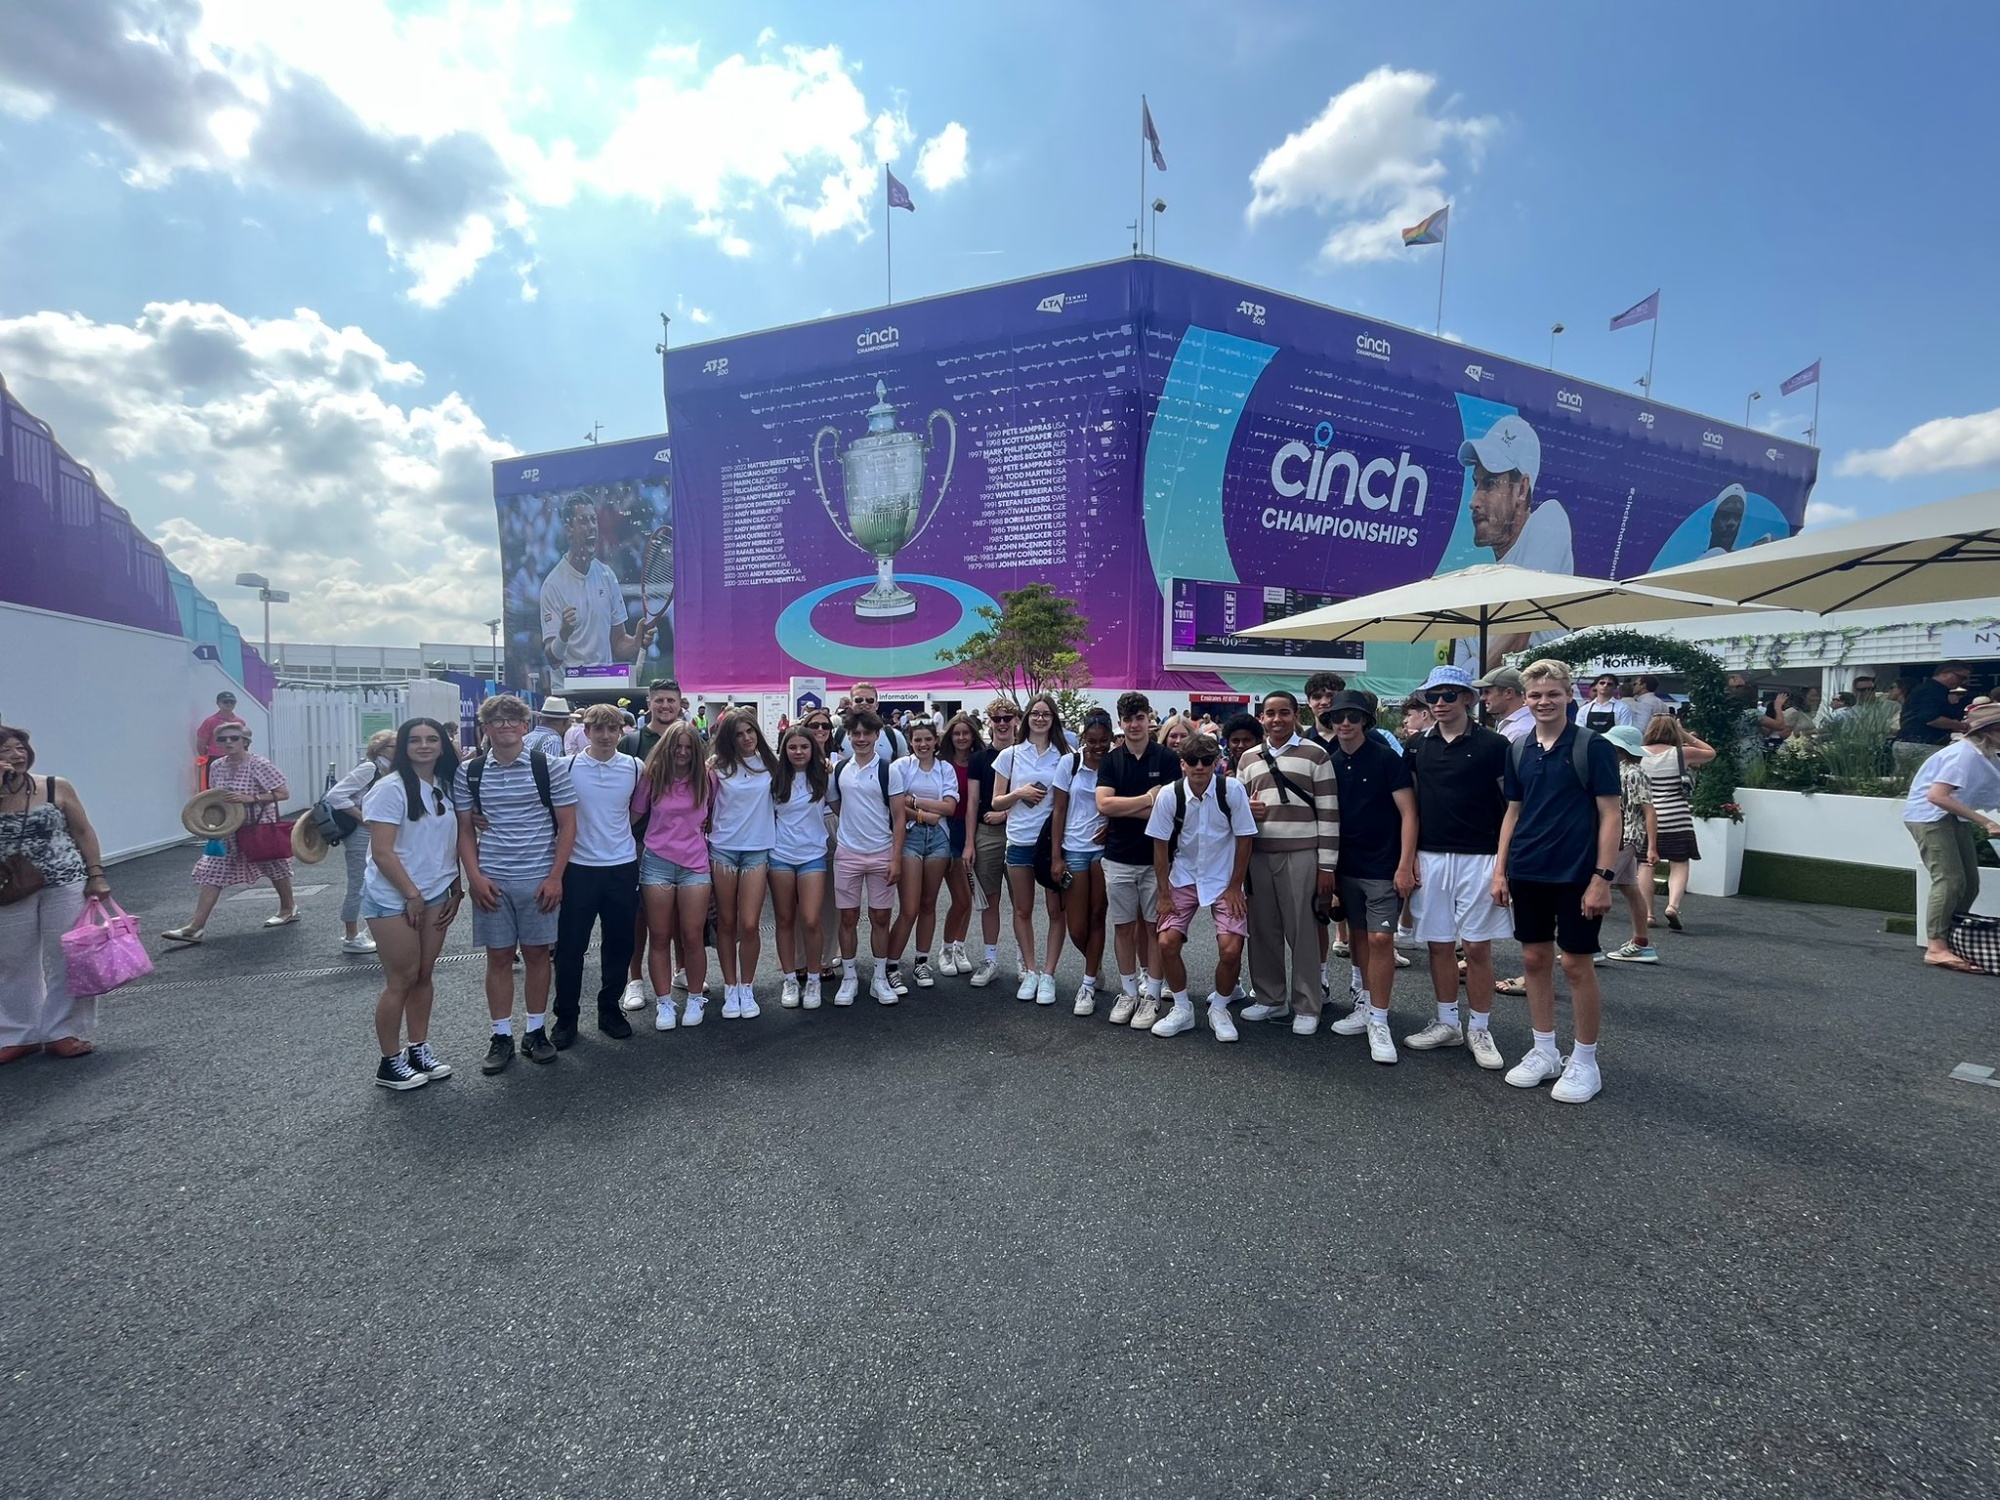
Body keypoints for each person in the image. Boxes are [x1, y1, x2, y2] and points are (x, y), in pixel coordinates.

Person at [1492, 659, 1622, 1105]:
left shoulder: (1592, 746)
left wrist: (1602, 878)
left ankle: (1585, 1060)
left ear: (1570, 696)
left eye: (1553, 693)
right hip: (1527, 869)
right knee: (1533, 960)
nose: (1544, 702)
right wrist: (1499, 869)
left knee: (1576, 963)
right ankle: (1544, 1050)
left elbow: (1611, 813)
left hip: (1577, 873)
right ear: (1525, 699)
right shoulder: (1519, 748)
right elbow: (1513, 811)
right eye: (1535, 695)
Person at [455, 695, 577, 1074]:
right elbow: (463, 831)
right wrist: (474, 877)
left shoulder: (549, 767)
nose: (505, 725)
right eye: (496, 720)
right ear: (486, 728)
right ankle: (501, 1035)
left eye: (512, 719)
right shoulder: (470, 772)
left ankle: (535, 1031)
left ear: (525, 726)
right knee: (499, 958)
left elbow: (568, 826)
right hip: (492, 881)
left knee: (539, 956)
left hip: (539, 879)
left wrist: (556, 876)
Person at [1401, 665, 1511, 1070]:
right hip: (1431, 855)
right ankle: (1447, 1022)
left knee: (1478, 946)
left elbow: (1512, 807)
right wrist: (1408, 857)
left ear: (1468, 697)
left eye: (1450, 695)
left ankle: (1480, 1027)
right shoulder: (1416, 747)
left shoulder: (1495, 745)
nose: (1441, 703)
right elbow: (1409, 807)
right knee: (1439, 943)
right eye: (1434, 696)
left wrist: (1503, 864)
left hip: (1482, 856)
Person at [359, 719, 465, 1091]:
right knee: (400, 979)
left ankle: (418, 1047)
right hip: (394, 896)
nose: (424, 745)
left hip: (436, 891)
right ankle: (390, 1061)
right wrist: (411, 895)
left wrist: (456, 885)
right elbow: (383, 852)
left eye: (432, 739)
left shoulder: (447, 786)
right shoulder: (389, 789)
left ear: (442, 745)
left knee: (423, 974)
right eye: (415, 740)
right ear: (403, 746)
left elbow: (447, 841)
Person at [0, 726, 112, 1062]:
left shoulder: (55, 786)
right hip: (7, 890)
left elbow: (82, 830)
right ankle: (19, 1033)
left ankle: (63, 1030)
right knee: (12, 962)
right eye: (5, 751)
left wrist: (96, 875)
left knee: (66, 956)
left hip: (63, 882)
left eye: (20, 748)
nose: (16, 756)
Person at [1317, 692, 1416, 1062]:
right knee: (1358, 936)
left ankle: (1379, 1018)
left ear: (1364, 721)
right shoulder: (1330, 762)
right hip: (1347, 866)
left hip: (1383, 865)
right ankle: (1363, 1002)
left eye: (1353, 717)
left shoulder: (1387, 758)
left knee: (1380, 938)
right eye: (1339, 717)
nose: (1345, 723)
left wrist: (1405, 864)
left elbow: (1409, 813)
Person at [1232, 691, 1339, 1031]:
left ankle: (1307, 1005)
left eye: (1284, 713)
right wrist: (1246, 809)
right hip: (1258, 855)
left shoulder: (1316, 755)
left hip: (1302, 854)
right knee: (1263, 930)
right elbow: (1235, 806)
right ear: (1261, 718)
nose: (1276, 719)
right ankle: (1270, 998)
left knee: (1303, 931)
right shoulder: (1249, 758)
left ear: (1296, 715)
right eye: (1270, 714)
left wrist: (1327, 866)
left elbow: (1330, 813)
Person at [1144, 733, 1259, 1041]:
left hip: (1223, 879)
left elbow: (1246, 838)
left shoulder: (1231, 790)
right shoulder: (1170, 795)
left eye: (1206, 761)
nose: (1199, 767)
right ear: (1182, 764)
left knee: (1231, 948)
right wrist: (1164, 894)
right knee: (1167, 942)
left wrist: (1236, 886)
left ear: (1216, 763)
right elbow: (1159, 846)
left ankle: (1219, 1007)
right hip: (1184, 876)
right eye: (1192, 761)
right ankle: (1182, 1008)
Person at [552, 703, 643, 1047]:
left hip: (621, 867)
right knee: (570, 947)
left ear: (621, 732)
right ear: (585, 731)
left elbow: (636, 810)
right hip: (578, 869)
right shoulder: (567, 766)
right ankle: (566, 1017)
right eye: (598, 729)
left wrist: (615, 835)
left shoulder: (635, 767)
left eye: (612, 729)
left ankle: (609, 1009)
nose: (605, 736)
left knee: (620, 944)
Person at [162, 723, 296, 943]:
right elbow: (215, 797)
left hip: (258, 825)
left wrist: (250, 798)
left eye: (234, 738)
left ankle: (288, 908)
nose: (228, 743)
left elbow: (283, 793)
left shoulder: (259, 764)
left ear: (245, 741)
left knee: (275, 866)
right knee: (212, 871)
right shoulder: (217, 766)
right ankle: (195, 928)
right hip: (229, 829)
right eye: (222, 739)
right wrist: (210, 824)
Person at [1456, 416, 1571, 668]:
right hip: (1491, 705)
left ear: (1522, 489)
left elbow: (1519, 630)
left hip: (1538, 702)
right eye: (1476, 484)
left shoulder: (1550, 519)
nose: (1474, 501)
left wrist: (1465, 682)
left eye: (1490, 484)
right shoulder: (1478, 587)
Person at [1095, 692, 1181, 1028]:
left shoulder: (1168, 758)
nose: (1134, 725)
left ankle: (1152, 995)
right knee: (1123, 927)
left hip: (1156, 860)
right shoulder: (1111, 761)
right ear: (1121, 723)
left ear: (1150, 718)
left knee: (1154, 927)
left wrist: (1126, 806)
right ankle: (1129, 992)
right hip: (1117, 858)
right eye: (1128, 719)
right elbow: (1104, 805)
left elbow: (1171, 810)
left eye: (1140, 717)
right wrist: (1148, 799)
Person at [1903, 701, 2000, 973]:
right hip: (1929, 816)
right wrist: (1986, 821)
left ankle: (1953, 939)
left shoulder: (1988, 756)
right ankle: (1936, 947)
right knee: (1950, 880)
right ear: (1991, 730)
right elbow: (1936, 796)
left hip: (1950, 817)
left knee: (1969, 883)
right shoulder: (1964, 755)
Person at [991, 693, 1071, 1005]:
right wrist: (1019, 793)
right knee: (1022, 909)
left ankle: (1049, 974)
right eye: (1035, 713)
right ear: (1026, 719)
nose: (1040, 718)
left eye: (1046, 714)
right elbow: (996, 801)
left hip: (1051, 843)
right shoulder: (1010, 755)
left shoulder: (1064, 754)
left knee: (1055, 911)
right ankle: (1032, 970)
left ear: (1053, 719)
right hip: (1020, 840)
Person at [631, 721, 713, 1029]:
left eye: (688, 747)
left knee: (693, 936)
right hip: (657, 862)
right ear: (667, 747)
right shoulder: (652, 777)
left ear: (696, 750)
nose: (681, 752)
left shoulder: (706, 777)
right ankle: (664, 1003)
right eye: (676, 746)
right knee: (660, 936)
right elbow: (631, 817)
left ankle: (695, 998)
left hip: (694, 864)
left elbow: (718, 814)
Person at [829, 710, 908, 1005]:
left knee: (880, 917)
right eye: (856, 734)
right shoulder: (839, 770)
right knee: (848, 917)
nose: (861, 739)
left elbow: (899, 819)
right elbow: (837, 804)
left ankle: (878, 977)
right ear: (849, 736)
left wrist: (896, 858)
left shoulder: (890, 771)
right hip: (848, 854)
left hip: (882, 853)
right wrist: (853, 826)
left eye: (867, 733)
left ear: (877, 736)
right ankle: (849, 978)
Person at [618, 679, 688, 1009]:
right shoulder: (632, 741)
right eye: (659, 700)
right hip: (639, 841)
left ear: (679, 703)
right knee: (640, 916)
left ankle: (681, 969)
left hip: (682, 842)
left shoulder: (691, 738)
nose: (665, 706)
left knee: (678, 912)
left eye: (670, 701)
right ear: (649, 702)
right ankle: (635, 979)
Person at [706, 709, 778, 1019]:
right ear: (729, 738)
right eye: (739, 733)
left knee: (750, 923)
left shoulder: (771, 766)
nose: (747, 738)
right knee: (726, 921)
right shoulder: (716, 768)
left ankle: (747, 986)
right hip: (722, 848)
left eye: (751, 731)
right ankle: (730, 986)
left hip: (757, 849)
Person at [539, 494, 653, 685]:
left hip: (605, 687)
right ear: (569, 530)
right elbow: (553, 658)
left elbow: (618, 644)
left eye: (594, 520)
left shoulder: (607, 575)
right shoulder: (552, 585)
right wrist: (564, 634)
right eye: (583, 521)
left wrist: (636, 642)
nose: (591, 526)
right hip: (569, 694)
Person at [886, 719, 958, 990]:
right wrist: (923, 814)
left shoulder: (945, 769)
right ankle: (891, 966)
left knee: (929, 905)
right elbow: (895, 803)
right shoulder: (900, 767)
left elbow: (949, 808)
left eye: (927, 739)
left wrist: (914, 801)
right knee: (909, 908)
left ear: (936, 741)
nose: (923, 744)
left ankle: (921, 962)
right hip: (911, 837)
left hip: (939, 838)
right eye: (917, 740)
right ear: (910, 742)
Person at [1050, 711, 1113, 1014]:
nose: (1098, 746)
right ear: (1083, 738)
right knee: (1076, 926)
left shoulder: (1116, 762)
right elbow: (1058, 810)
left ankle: (1087, 983)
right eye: (1092, 741)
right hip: (1073, 848)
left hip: (1103, 850)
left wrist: (1112, 825)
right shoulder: (1069, 763)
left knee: (1098, 914)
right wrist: (1055, 855)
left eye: (1104, 741)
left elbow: (1121, 803)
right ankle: (1094, 962)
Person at [769, 727, 831, 1009]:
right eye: (792, 747)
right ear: (785, 751)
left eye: (804, 747)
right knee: (784, 919)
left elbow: (846, 807)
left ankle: (815, 978)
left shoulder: (824, 777)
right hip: (780, 855)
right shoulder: (774, 779)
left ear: (813, 749)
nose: (798, 752)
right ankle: (790, 978)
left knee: (810, 919)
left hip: (813, 855)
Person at [961, 698, 1019, 987]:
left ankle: (1025, 961)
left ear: (1016, 720)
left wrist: (1005, 813)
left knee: (1022, 903)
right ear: (989, 722)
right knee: (989, 901)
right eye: (997, 719)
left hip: (1021, 834)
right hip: (986, 834)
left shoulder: (1025, 755)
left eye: (1008, 718)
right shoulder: (980, 759)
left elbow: (1039, 797)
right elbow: (972, 803)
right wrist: (969, 843)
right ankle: (990, 959)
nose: (1003, 723)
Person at [1639, 715, 1715, 932]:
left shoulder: (1638, 753)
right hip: (1677, 816)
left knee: (1645, 864)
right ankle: (1672, 906)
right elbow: (1711, 753)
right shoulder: (1682, 753)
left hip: (1647, 817)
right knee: (1679, 862)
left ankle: (1648, 913)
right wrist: (1683, 735)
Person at [325, 729, 396, 955]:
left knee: (379, 879)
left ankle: (369, 931)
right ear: (380, 749)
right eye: (395, 745)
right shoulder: (370, 768)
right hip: (360, 832)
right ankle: (351, 935)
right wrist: (362, 817)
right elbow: (335, 795)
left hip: (377, 830)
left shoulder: (390, 769)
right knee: (359, 882)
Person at [1600, 725, 1659, 965]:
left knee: (1598, 885)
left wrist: (1652, 846)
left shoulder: (1631, 773)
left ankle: (1588, 946)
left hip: (1624, 838)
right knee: (1629, 888)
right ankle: (1641, 942)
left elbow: (1649, 810)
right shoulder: (1624, 770)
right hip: (1627, 837)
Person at [936, 713, 983, 976]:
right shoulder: (942, 764)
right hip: (947, 830)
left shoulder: (980, 762)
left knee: (970, 896)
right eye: (956, 733)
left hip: (972, 830)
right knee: (962, 898)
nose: (961, 738)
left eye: (966, 733)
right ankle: (945, 949)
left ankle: (959, 946)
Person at [1895, 662, 1973, 768]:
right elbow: (1931, 718)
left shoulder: (1932, 690)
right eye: (1961, 677)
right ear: (1945, 674)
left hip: (1915, 743)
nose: (1963, 682)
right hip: (1921, 744)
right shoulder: (1931, 691)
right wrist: (1963, 726)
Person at [831, 681, 908, 760]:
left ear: (877, 705)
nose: (864, 703)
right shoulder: (837, 734)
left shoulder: (894, 736)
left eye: (870, 700)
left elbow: (904, 768)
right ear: (851, 704)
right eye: (859, 700)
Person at [193, 690, 245, 788]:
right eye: (225, 702)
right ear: (218, 703)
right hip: (215, 758)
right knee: (213, 789)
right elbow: (201, 743)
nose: (229, 704)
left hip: (236, 759)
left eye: (231, 702)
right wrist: (207, 757)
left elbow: (243, 742)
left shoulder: (240, 722)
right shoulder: (210, 721)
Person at [1475, 666, 1532, 742]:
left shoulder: (1520, 729)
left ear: (1509, 693)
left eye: (1487, 692)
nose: (1482, 698)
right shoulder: (1516, 724)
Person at [1696, 484, 1749, 559]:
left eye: (1737, 517)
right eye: (1725, 515)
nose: (1732, 523)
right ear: (1712, 523)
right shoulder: (1695, 564)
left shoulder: (1743, 562)